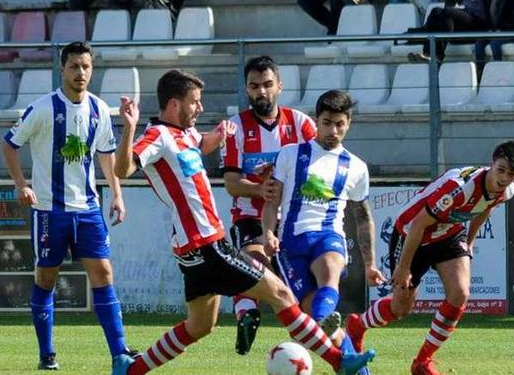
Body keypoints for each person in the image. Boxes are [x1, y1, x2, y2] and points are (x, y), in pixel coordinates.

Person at [111, 70, 375, 375]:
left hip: (189, 248)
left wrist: (220, 136)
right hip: (206, 242)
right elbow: (123, 169)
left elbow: (201, 143)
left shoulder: (186, 135)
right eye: (194, 103)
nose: (200, 108)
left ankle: (131, 369)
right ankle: (339, 361)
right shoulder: (157, 136)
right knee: (280, 294)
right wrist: (129, 128)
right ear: (174, 104)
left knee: (199, 326)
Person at [345, 141, 514, 375]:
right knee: (401, 308)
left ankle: (422, 361)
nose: (504, 178)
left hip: (448, 233)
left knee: (460, 293)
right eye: (500, 170)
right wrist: (403, 267)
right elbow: (419, 223)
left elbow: (486, 207)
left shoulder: (506, 190)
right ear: (491, 164)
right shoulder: (459, 188)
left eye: (511, 173)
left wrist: (469, 243)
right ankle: (357, 326)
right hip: (411, 233)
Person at [1, 41, 130, 371]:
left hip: (87, 209)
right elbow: (10, 144)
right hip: (49, 211)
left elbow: (105, 156)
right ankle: (47, 353)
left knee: (103, 273)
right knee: (46, 278)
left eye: (86, 66)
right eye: (74, 66)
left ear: (92, 69)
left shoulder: (99, 109)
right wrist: (21, 184)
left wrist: (116, 194)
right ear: (63, 69)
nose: (81, 73)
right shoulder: (43, 109)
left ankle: (119, 353)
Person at [262, 90, 385, 364]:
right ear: (316, 120)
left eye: (339, 124)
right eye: (327, 122)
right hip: (290, 244)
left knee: (330, 271)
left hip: (329, 236)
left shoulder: (356, 167)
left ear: (348, 123)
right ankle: (343, 350)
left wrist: (370, 264)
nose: (333, 130)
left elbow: (363, 217)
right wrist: (268, 233)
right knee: (318, 318)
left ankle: (323, 320)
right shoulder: (290, 154)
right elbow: (271, 202)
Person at [221, 56, 318, 355]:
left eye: (267, 85)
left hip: (292, 215)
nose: (261, 92)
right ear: (247, 90)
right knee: (252, 259)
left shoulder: (302, 124)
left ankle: (319, 322)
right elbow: (231, 183)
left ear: (279, 86)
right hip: (249, 213)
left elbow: (317, 168)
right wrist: (261, 187)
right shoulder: (235, 128)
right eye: (254, 86)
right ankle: (247, 314)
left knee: (303, 284)